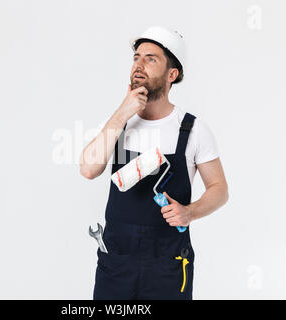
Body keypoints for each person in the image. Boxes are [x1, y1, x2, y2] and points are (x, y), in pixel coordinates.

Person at [79, 26, 229, 300]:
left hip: (168, 264)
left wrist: (190, 212)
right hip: (117, 262)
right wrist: (123, 112)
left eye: (151, 58)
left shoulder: (192, 130)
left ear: (172, 74)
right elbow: (88, 168)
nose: (139, 65)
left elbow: (219, 188)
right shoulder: (118, 123)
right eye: (136, 57)